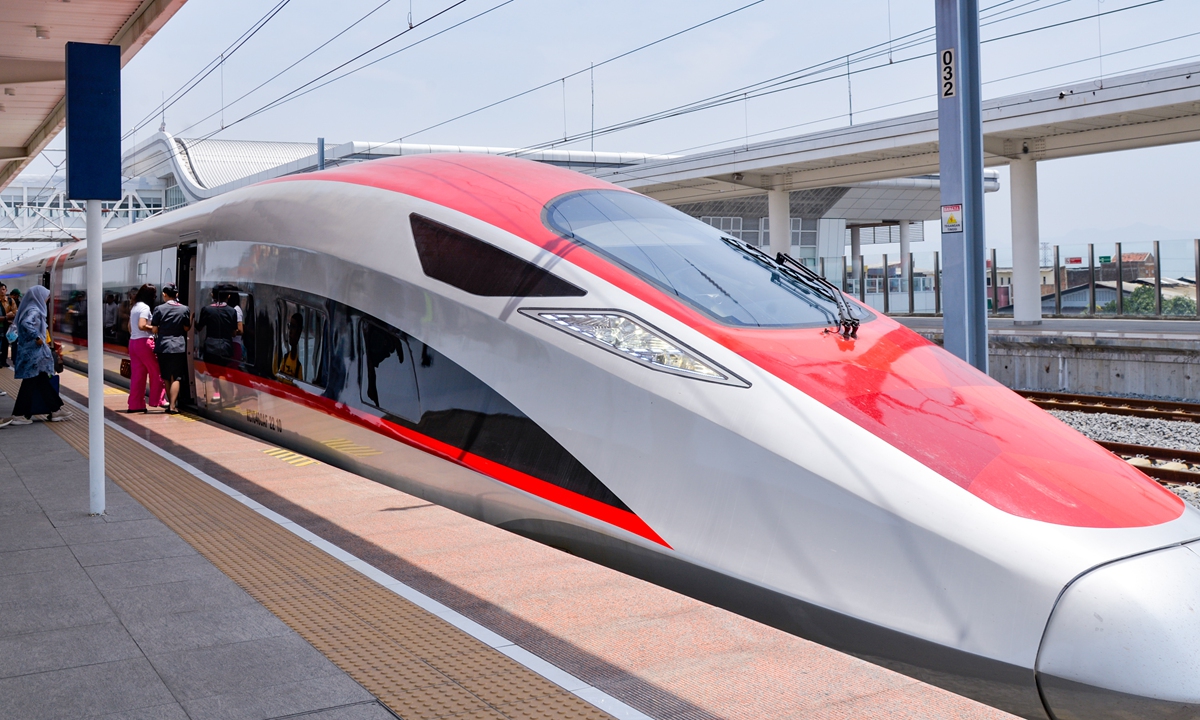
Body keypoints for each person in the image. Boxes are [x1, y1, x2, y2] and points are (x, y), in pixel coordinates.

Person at [0, 286, 66, 427]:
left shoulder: (28, 308)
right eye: (45, 296)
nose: (47, 299)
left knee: (40, 381)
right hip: (34, 354)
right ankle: (19, 414)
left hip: (30, 353)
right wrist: (37, 337)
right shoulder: (34, 310)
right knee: (30, 383)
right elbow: (26, 324)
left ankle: (55, 410)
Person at [150, 284, 190, 414]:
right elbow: (186, 328)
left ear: (164, 294)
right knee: (176, 377)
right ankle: (173, 405)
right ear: (177, 294)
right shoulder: (185, 309)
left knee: (166, 376)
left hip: (163, 346)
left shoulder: (159, 309)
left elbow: (155, 329)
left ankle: (169, 405)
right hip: (178, 346)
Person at [126, 284, 165, 414]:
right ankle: (158, 400)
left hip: (133, 343)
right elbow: (142, 325)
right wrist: (155, 327)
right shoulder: (145, 307)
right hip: (144, 343)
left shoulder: (135, 307)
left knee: (138, 376)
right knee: (157, 372)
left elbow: (130, 328)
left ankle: (135, 404)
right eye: (154, 294)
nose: (155, 297)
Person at [196, 287, 237, 363]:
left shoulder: (207, 310)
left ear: (212, 295)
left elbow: (199, 328)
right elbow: (234, 333)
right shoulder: (232, 311)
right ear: (228, 296)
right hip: (226, 349)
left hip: (210, 349)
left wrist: (193, 321)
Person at [0, 283, 11, 370]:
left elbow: (15, 312)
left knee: (5, 344)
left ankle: (3, 361)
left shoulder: (9, 300)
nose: (2, 291)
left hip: (6, 326)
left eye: (3, 289)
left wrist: (7, 317)